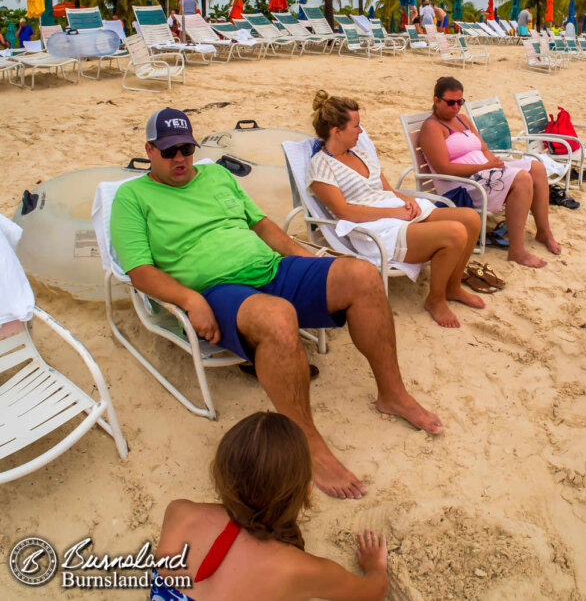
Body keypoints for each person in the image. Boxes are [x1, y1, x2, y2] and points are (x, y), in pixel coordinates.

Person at [111, 108, 442, 500]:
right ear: (149, 151)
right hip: (218, 290)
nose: (180, 158)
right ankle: (308, 442)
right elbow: (139, 270)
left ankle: (392, 394)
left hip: (271, 268)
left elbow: (261, 225)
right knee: (278, 317)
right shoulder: (131, 197)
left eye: (185, 148)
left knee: (361, 275)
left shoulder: (215, 174)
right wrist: (189, 299)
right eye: (168, 152)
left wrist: (306, 258)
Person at [151, 412, 389, 601]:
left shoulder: (180, 512)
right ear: (306, 489)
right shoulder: (298, 569)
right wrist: (375, 568)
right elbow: (373, 592)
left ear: (221, 477)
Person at [305, 91, 484, 328]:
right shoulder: (321, 166)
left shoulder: (361, 153)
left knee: (470, 219)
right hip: (372, 228)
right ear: (336, 131)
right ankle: (436, 299)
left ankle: (452, 288)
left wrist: (405, 200)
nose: (361, 131)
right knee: (455, 232)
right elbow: (344, 212)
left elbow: (387, 189)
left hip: (394, 210)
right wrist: (394, 213)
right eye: (356, 126)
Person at [420, 76, 562, 269]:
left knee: (536, 167)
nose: (456, 107)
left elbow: (483, 148)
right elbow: (443, 168)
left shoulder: (463, 120)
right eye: (450, 102)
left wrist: (491, 162)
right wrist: (484, 167)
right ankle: (517, 251)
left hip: (485, 173)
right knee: (521, 179)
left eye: (460, 102)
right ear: (436, 100)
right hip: (462, 185)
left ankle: (544, 232)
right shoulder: (431, 128)